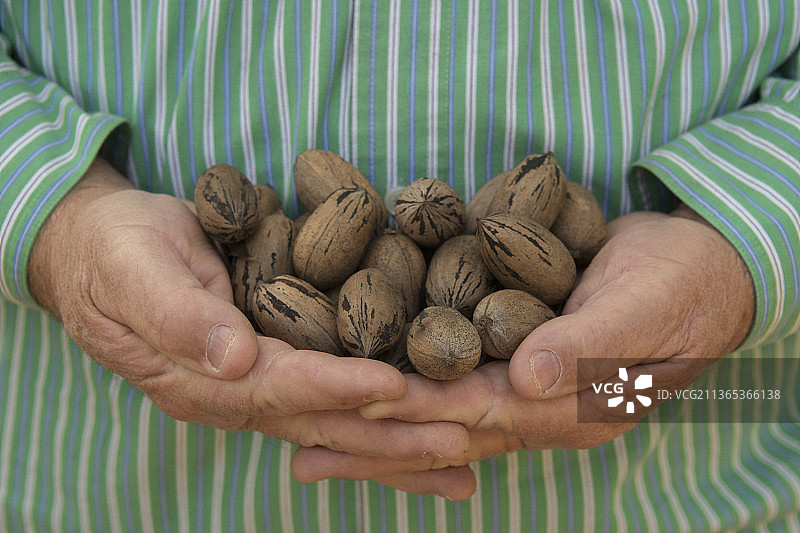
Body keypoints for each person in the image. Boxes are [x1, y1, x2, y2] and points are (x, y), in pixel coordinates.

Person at [1, 1, 798, 531]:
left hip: (698, 483)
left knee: (581, 376)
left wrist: (743, 246)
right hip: (116, 492)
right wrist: (56, 219)